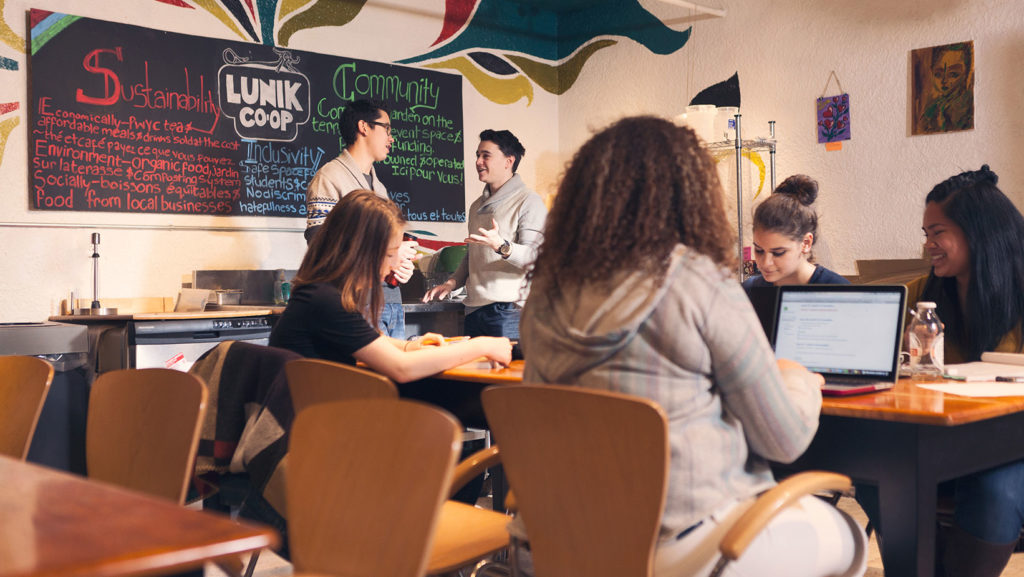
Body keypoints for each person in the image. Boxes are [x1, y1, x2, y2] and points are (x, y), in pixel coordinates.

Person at [520, 116, 867, 577]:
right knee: (849, 537)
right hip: (677, 547)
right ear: (691, 195)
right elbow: (782, 440)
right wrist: (797, 378)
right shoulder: (699, 283)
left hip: (556, 542)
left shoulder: (545, 293)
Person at [858, 165, 1024, 577]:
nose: (928, 244)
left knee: (992, 489)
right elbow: (871, 352)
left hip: (1010, 446)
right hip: (942, 443)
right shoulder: (919, 295)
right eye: (925, 233)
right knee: (875, 473)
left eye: (938, 233)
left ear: (978, 233)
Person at [272, 190, 512, 383]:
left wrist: (410, 345)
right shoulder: (325, 300)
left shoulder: (322, 291)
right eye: (389, 254)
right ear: (362, 252)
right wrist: (482, 345)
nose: (395, 263)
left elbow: (368, 339)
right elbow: (402, 369)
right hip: (309, 432)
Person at [304, 99, 415, 339]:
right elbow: (320, 246)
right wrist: (388, 250)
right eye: (386, 128)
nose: (391, 138)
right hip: (355, 301)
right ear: (364, 127)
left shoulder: (379, 187)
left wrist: (399, 265)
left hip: (390, 300)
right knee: (373, 374)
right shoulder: (330, 177)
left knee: (395, 373)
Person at [422, 129, 547, 339]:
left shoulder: (528, 201)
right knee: (473, 372)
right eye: (477, 155)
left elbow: (536, 260)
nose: (478, 161)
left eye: (486, 155)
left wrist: (502, 246)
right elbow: (473, 255)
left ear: (509, 161)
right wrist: (452, 283)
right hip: (474, 310)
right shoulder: (476, 206)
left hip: (509, 312)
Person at [742, 174, 848, 290]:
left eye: (778, 253)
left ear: (806, 243)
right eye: (759, 250)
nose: (765, 263)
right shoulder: (748, 291)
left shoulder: (841, 292)